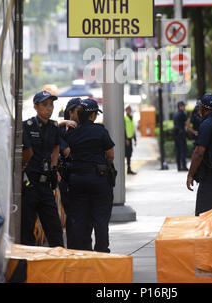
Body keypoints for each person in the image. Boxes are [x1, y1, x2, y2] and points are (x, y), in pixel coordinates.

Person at [61, 98, 115, 252]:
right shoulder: (100, 131)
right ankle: (102, 251)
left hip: (77, 180)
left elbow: (66, 150)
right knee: (100, 219)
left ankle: (83, 251)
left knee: (80, 219)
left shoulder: (72, 132)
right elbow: (110, 154)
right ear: (93, 116)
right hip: (98, 179)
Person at [21, 90, 64, 247]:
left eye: (51, 104)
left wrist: (54, 167)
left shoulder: (54, 127)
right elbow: (26, 152)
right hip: (30, 184)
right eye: (45, 105)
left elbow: (56, 146)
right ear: (35, 107)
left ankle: (59, 264)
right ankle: (27, 266)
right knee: (27, 228)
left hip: (46, 184)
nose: (49, 108)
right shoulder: (27, 126)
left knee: (54, 228)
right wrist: (24, 167)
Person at [173, 101, 189, 171]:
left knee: (178, 151)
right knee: (183, 150)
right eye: (183, 106)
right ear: (180, 106)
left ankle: (179, 167)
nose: (184, 107)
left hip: (175, 134)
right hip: (181, 134)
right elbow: (187, 124)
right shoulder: (183, 114)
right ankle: (184, 166)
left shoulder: (175, 114)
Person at [124, 105, 137, 175]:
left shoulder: (131, 118)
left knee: (130, 154)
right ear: (126, 110)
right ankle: (128, 168)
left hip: (130, 138)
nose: (129, 111)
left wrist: (135, 139)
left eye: (130, 110)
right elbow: (124, 129)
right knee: (127, 154)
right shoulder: (125, 118)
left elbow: (133, 129)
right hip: (127, 140)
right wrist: (125, 139)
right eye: (128, 110)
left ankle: (129, 168)